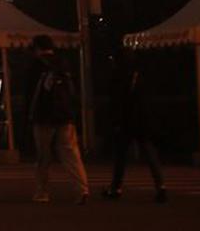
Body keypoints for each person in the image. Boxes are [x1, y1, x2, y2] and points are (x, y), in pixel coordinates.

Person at [28, 35, 89, 204]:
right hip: (65, 116)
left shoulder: (36, 66)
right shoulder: (64, 64)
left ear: (37, 48)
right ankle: (82, 189)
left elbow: (31, 94)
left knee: (43, 156)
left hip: (43, 117)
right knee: (71, 154)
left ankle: (42, 192)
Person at [103, 49, 167, 203]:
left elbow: (117, 101)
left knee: (121, 156)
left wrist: (115, 121)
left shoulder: (119, 76)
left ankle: (116, 187)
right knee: (149, 152)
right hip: (142, 120)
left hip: (126, 121)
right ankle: (161, 186)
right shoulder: (140, 75)